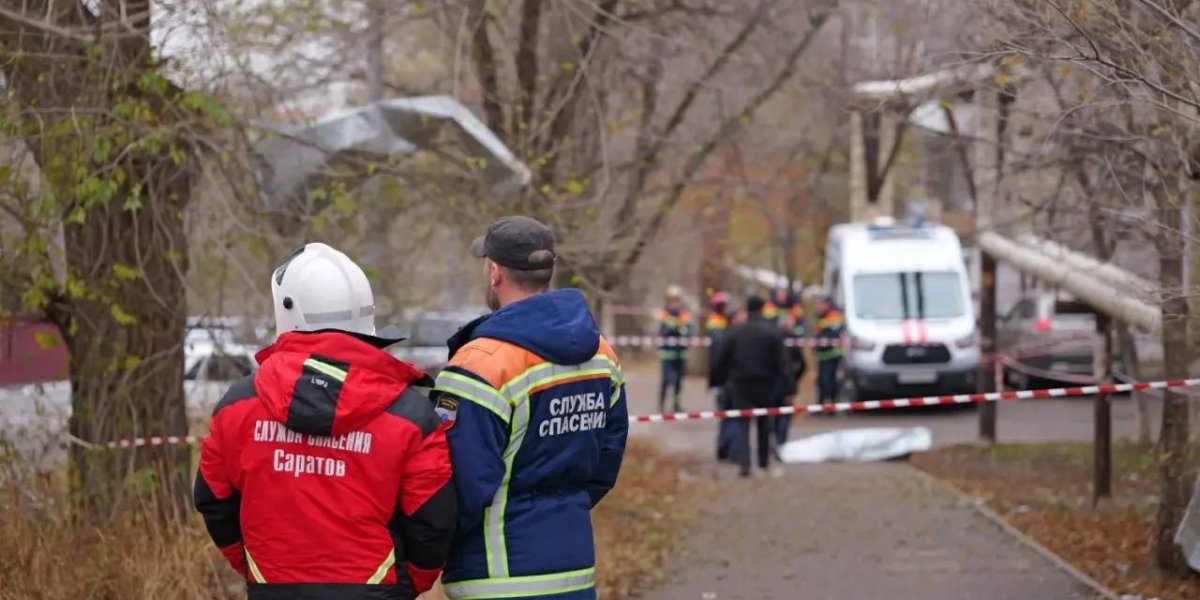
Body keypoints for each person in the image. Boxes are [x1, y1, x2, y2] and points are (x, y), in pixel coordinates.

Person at [194, 243, 457, 600]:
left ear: (288, 309)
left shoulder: (237, 407)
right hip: (375, 590)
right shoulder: (410, 415)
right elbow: (432, 521)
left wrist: (259, 569)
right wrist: (403, 584)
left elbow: (215, 501)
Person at [433, 216, 628, 600]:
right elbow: (606, 461)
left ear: (494, 272)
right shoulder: (601, 354)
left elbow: (459, 486)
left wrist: (423, 552)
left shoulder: (480, 364)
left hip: (494, 574)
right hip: (573, 571)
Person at [713, 295, 789, 478]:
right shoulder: (772, 333)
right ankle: (763, 462)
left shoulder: (736, 333)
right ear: (762, 309)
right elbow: (782, 362)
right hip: (765, 383)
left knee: (743, 422)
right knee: (764, 422)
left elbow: (721, 358)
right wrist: (787, 387)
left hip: (741, 383)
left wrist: (718, 381)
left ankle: (745, 463)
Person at [705, 291, 736, 461]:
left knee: (727, 414)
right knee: (727, 413)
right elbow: (718, 353)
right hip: (723, 376)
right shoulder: (717, 324)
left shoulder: (723, 323)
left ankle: (725, 448)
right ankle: (725, 448)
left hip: (722, 375)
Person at [776, 291, 808, 445]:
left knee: (774, 412)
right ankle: (781, 441)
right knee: (785, 412)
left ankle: (775, 439)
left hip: (774, 382)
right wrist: (795, 380)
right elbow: (802, 364)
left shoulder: (774, 338)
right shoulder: (792, 340)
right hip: (788, 382)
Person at [657, 285, 693, 413]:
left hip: (680, 353)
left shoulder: (684, 314)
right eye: (672, 299)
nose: (675, 302)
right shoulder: (664, 314)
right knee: (666, 380)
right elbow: (663, 331)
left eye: (677, 299)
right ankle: (661, 404)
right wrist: (678, 329)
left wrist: (678, 330)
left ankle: (676, 405)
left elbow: (689, 331)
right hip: (667, 353)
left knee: (678, 381)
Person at [814, 292, 846, 405]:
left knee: (829, 380)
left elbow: (834, 333)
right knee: (821, 380)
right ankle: (821, 403)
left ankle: (831, 403)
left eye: (820, 304)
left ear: (827, 304)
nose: (818, 306)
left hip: (832, 354)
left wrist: (822, 341)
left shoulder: (834, 315)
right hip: (822, 355)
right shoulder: (820, 316)